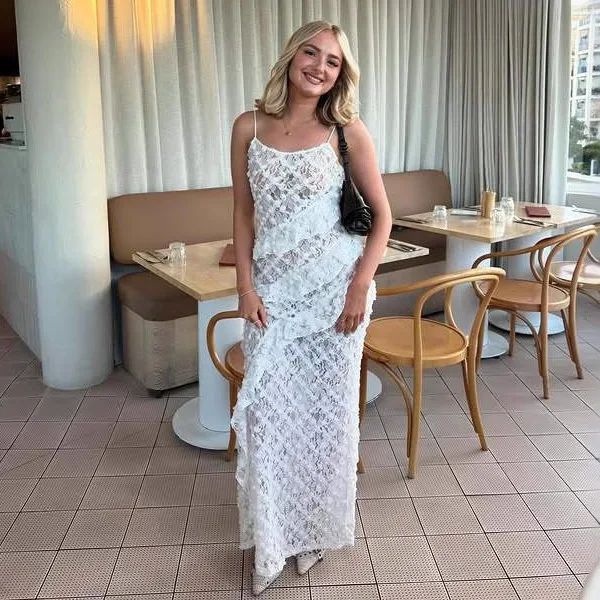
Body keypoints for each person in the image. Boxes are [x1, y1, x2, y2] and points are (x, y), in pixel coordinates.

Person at [230, 20, 392, 596]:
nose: (319, 67)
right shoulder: (248, 126)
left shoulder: (346, 130)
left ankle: (314, 533)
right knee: (270, 417)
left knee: (325, 418)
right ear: (291, 55)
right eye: (311, 52)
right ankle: (274, 536)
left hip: (335, 297)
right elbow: (242, 214)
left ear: (340, 74)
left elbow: (383, 217)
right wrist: (246, 289)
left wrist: (359, 287)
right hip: (271, 298)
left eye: (332, 61)